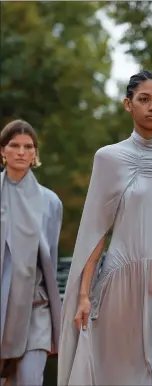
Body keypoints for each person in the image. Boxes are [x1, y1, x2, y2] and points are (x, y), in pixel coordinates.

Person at [58, 70, 152, 385]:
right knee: (123, 375)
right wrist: (84, 295)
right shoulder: (109, 158)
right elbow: (95, 232)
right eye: (144, 99)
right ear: (128, 105)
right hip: (121, 282)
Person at [0, 120, 63, 386]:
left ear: (35, 153)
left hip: (36, 310)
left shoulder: (51, 202)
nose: (21, 152)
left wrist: (56, 323)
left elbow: (51, 263)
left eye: (28, 146)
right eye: (14, 145)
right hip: (1, 306)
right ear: (2, 150)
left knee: (29, 381)